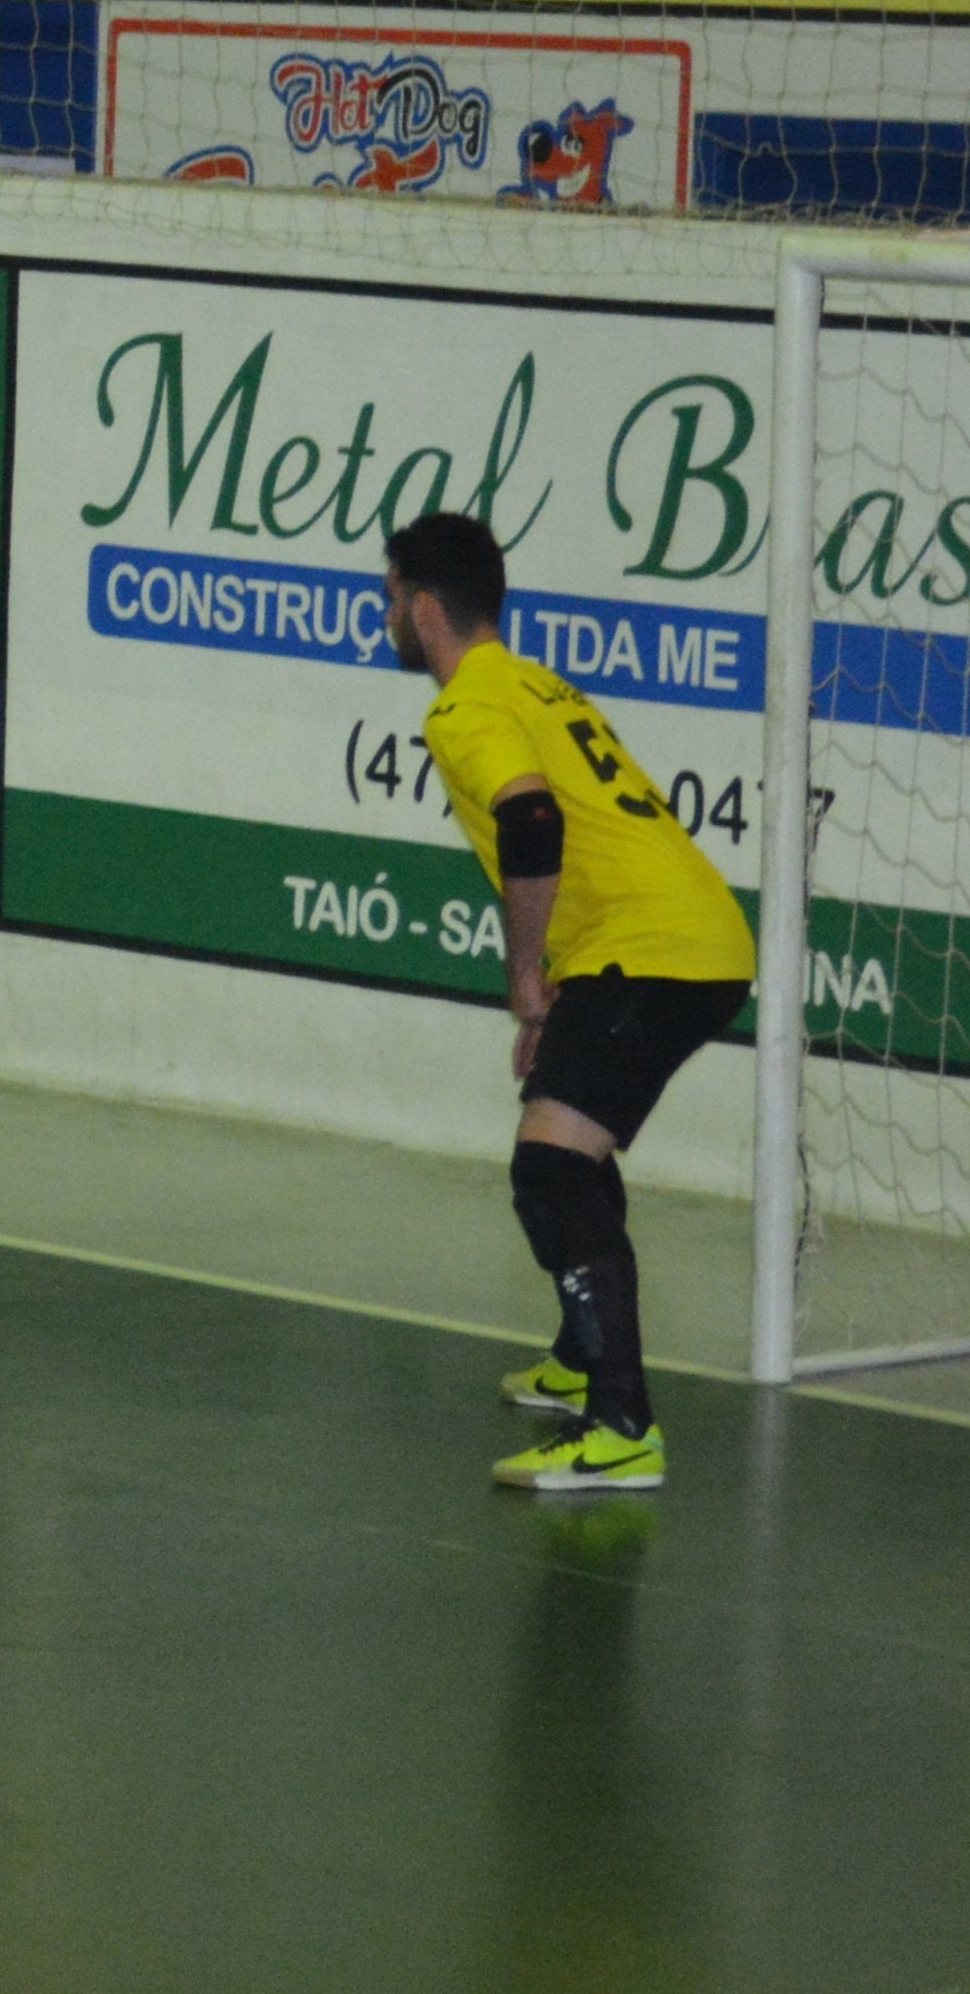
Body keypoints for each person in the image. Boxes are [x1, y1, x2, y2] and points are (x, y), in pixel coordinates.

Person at [380, 508, 763, 1494]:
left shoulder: (464, 707)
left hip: (656, 953)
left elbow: (534, 819)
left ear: (423, 610)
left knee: (549, 1167)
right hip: (684, 941)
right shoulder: (532, 680)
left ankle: (622, 1424)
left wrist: (523, 985)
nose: (387, 614)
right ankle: (583, 1357)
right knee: (570, 1145)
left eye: (389, 597)